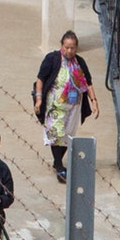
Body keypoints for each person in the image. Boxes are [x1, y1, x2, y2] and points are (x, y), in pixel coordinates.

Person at [32, 32, 99, 183]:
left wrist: (94, 101)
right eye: (66, 47)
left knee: (67, 135)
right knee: (56, 134)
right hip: (55, 105)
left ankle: (58, 161)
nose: (69, 51)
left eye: (72, 48)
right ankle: (59, 165)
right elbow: (40, 79)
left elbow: (88, 82)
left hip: (73, 107)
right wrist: (38, 99)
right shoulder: (52, 59)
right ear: (61, 45)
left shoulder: (80, 62)